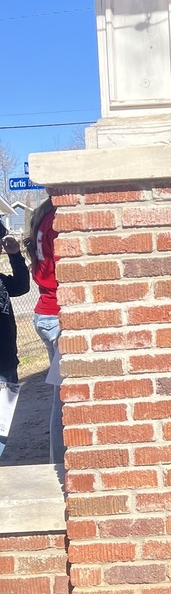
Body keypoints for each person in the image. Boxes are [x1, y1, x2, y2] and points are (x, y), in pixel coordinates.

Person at [24, 198, 63, 463]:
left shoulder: (42, 218)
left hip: (45, 312)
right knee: (63, 397)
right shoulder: (56, 221)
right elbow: (65, 269)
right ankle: (60, 461)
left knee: (58, 394)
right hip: (56, 316)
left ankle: (57, 458)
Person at [0, 221, 30, 456]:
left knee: (3, 419)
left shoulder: (0, 279)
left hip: (7, 359)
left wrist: (15, 256)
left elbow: (21, 286)